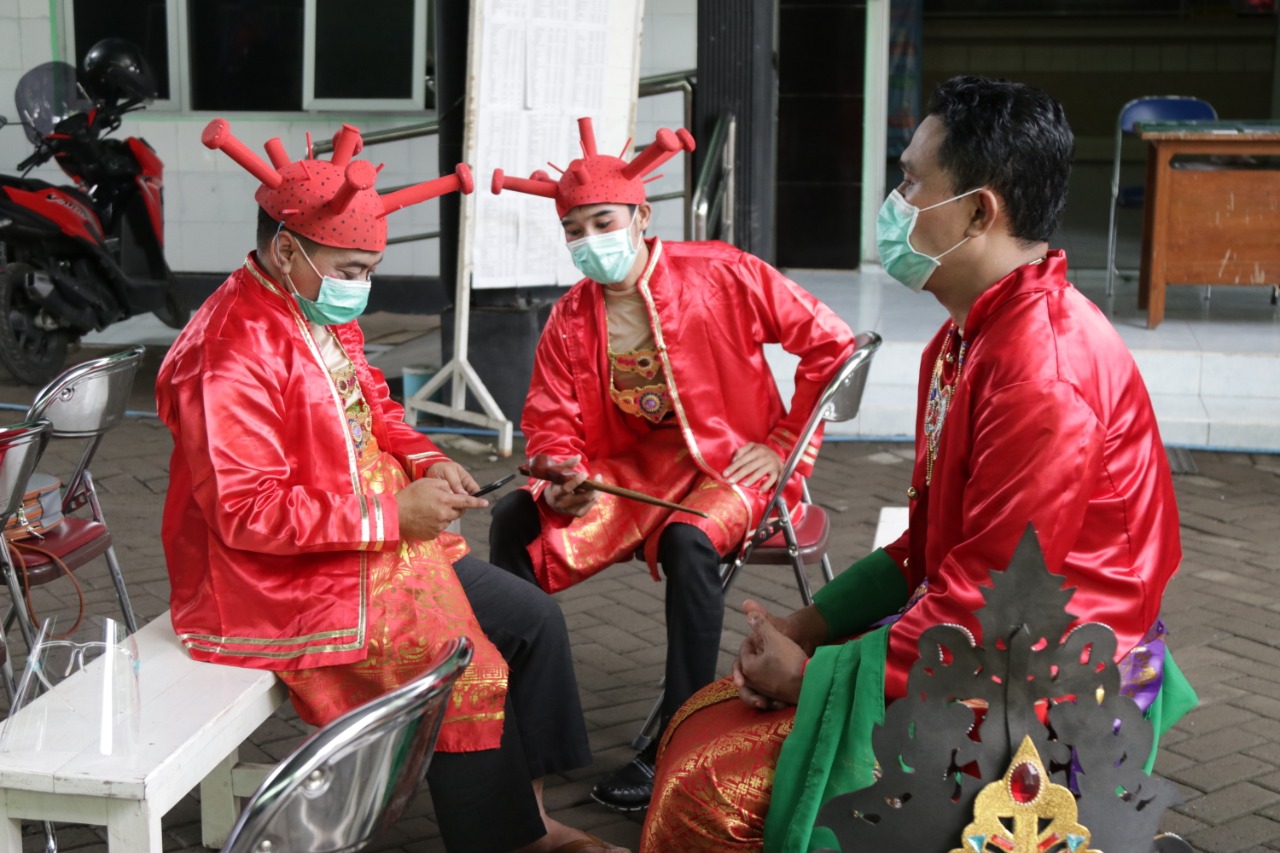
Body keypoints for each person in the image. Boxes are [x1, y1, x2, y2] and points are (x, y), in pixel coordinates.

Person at [639, 76, 1198, 852]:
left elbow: (993, 616)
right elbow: (927, 546)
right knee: (701, 724)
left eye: (910, 181)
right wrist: (807, 624)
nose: (894, 202)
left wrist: (813, 677)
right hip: (985, 641)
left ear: (979, 210)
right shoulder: (968, 340)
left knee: (715, 790)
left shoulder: (1044, 375)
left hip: (1046, 682)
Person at [158, 119, 628, 853]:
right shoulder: (226, 353)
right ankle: (504, 842)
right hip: (271, 578)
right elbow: (244, 513)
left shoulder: (306, 301)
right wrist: (390, 513)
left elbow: (375, 405)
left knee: (533, 622)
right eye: (350, 268)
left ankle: (524, 818)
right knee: (465, 668)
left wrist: (423, 460)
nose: (361, 286)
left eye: (367, 268)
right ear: (287, 248)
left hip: (369, 538)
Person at [485, 117, 857, 812]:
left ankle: (678, 745)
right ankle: (513, 731)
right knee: (516, 518)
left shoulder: (721, 271)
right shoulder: (571, 316)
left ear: (641, 214)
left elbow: (832, 349)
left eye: (603, 221)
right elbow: (549, 418)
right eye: (575, 230)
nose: (589, 241)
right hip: (631, 472)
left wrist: (781, 445)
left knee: (691, 542)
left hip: (731, 464)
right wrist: (558, 476)